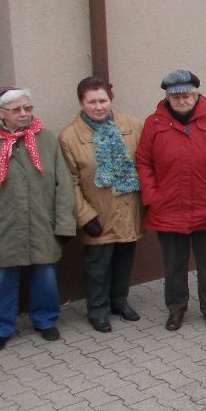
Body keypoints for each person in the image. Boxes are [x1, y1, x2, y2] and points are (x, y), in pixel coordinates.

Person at [0, 88, 75, 351]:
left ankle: (45, 320)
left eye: (27, 108)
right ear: (0, 112)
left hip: (42, 223)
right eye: (16, 109)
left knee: (45, 276)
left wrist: (64, 223)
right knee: (1, 280)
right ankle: (1, 327)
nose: (24, 113)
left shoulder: (46, 139)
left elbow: (64, 185)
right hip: (3, 226)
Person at [136, 70, 206, 331]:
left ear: (196, 95)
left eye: (186, 96)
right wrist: (152, 197)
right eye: (176, 97)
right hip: (167, 208)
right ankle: (176, 309)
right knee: (174, 265)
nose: (182, 101)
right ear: (167, 98)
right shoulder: (153, 123)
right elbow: (143, 162)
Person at [58, 77, 144, 333]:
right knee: (98, 265)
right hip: (97, 212)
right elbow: (69, 181)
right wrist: (84, 215)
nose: (98, 107)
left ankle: (119, 301)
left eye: (103, 100)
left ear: (111, 98)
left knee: (124, 259)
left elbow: (145, 163)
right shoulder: (69, 137)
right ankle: (97, 309)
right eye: (92, 102)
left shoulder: (131, 125)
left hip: (128, 207)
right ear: (81, 103)